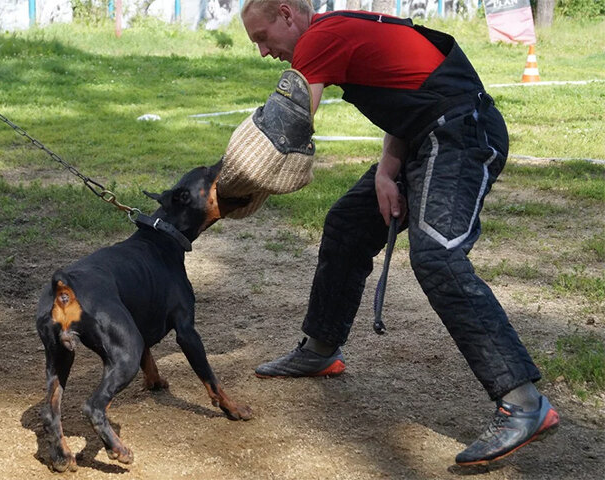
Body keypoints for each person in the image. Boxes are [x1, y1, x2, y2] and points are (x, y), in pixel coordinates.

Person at [239, 0, 559, 466]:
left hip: (461, 136)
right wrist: (388, 171)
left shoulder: (319, 39)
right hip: (428, 134)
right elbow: (409, 96)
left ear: (287, 14)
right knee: (348, 224)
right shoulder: (339, 32)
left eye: (263, 38)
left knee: (438, 257)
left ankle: (525, 404)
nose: (265, 52)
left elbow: (285, 128)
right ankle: (320, 349)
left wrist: (232, 187)